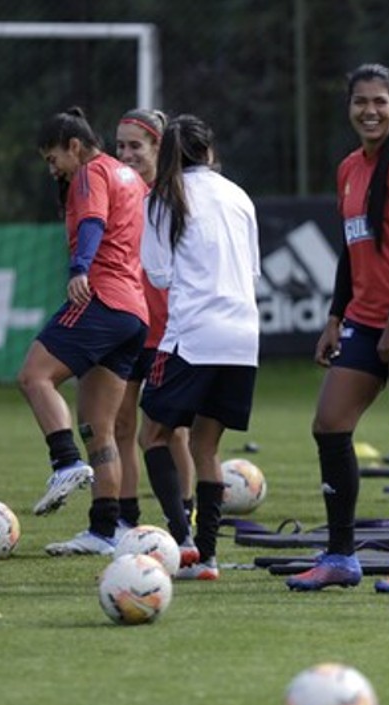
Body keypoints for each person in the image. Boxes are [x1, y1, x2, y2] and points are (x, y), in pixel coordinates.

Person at [286, 63, 389, 596]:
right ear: (349, 106)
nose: (370, 111)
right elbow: (351, 249)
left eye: (380, 101)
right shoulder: (349, 169)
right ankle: (340, 557)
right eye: (361, 102)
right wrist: (336, 317)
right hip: (363, 321)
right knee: (329, 424)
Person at [139, 114, 261, 581]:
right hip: (243, 339)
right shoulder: (239, 196)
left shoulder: (164, 197)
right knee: (207, 447)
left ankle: (181, 539)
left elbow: (160, 275)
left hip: (193, 335)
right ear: (209, 151)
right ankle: (206, 559)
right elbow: (252, 274)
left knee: (153, 435)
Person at [24, 107, 149, 556]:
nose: (51, 166)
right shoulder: (129, 176)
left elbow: (93, 222)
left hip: (102, 296)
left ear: (74, 146)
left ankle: (65, 462)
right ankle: (104, 531)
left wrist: (80, 268)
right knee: (101, 427)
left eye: (52, 156)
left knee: (34, 376)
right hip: (134, 313)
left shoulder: (91, 173)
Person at [112, 108, 197, 558]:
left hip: (169, 332)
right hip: (127, 328)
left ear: (159, 149)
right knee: (120, 425)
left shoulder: (176, 197)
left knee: (171, 433)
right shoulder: (112, 196)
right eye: (119, 146)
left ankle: (183, 520)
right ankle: (124, 520)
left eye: (135, 146)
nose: (126, 155)